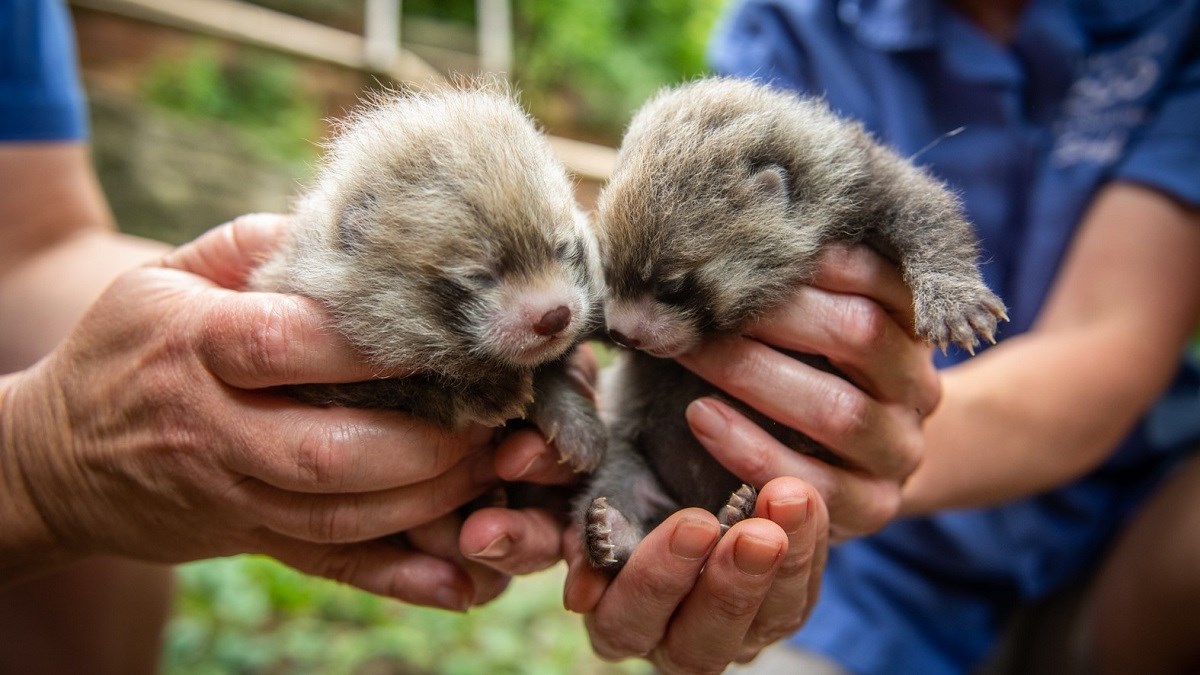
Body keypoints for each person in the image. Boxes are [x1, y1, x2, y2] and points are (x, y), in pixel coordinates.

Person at [1, 2, 867, 674]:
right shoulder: (338, 277)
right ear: (356, 244)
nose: (560, 306)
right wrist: (40, 464)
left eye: (564, 251)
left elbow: (29, 244)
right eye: (476, 279)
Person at [690, 0, 1200, 673]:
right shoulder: (781, 32)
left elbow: (1112, 335)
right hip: (866, 575)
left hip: (1124, 518)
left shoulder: (1170, 20)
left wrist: (873, 446)